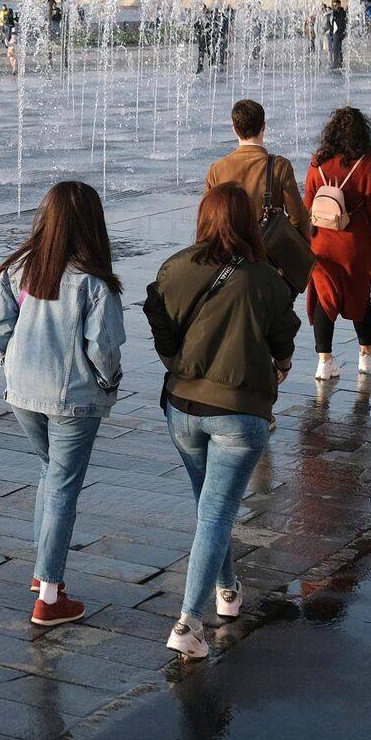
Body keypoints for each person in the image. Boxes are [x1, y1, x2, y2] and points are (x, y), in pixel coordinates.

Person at [145, 184, 297, 661]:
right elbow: (284, 336)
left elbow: (158, 320)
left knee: (211, 508)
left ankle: (227, 591)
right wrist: (281, 364)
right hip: (238, 414)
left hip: (182, 409)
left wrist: (176, 361)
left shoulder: (174, 267)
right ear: (249, 223)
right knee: (216, 511)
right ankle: (188, 624)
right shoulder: (265, 278)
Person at [0, 180, 127, 629]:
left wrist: (13, 366)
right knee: (64, 483)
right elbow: (102, 348)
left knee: (50, 472)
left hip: (23, 393)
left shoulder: (18, 268)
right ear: (92, 225)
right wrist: (108, 382)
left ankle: (42, 574)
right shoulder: (93, 281)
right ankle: (48, 595)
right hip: (73, 398)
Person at [304, 105, 371, 379]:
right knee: (360, 296)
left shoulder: (317, 162)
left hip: (322, 243)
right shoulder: (366, 163)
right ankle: (366, 355)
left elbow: (308, 202)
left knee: (325, 298)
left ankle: (325, 361)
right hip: (355, 244)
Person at [204, 99, 310, 247]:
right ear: (263, 126)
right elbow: (299, 219)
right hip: (266, 259)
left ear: (234, 129)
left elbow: (208, 221)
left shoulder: (216, 170)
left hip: (228, 255)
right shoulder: (279, 166)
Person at [325, 0, 348, 70]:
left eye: (336, 5)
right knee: (336, 48)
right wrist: (331, 32)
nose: (335, 7)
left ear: (339, 4)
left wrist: (344, 33)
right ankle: (337, 62)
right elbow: (333, 24)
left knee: (336, 47)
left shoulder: (342, 12)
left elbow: (343, 21)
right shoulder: (335, 12)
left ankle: (337, 63)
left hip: (340, 32)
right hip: (335, 32)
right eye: (334, 5)